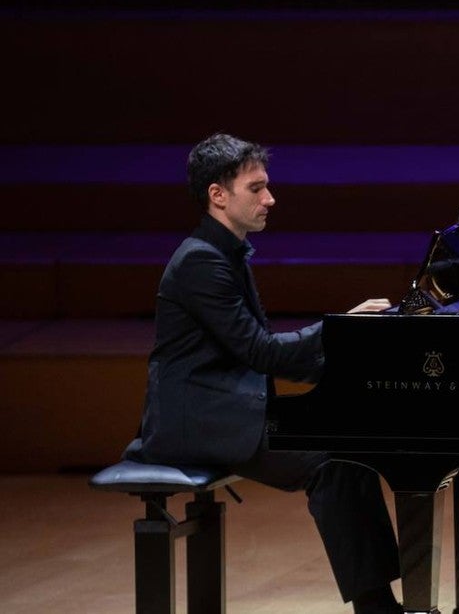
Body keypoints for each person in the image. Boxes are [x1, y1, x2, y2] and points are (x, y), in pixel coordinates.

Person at [125, 132, 405, 614]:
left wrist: (350, 371)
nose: (269, 198)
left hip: (227, 406)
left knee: (350, 449)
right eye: (256, 188)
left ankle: (379, 603)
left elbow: (263, 354)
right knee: (332, 462)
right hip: (196, 422)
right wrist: (341, 329)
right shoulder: (200, 262)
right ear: (218, 195)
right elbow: (260, 352)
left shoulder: (225, 254)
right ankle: (377, 607)